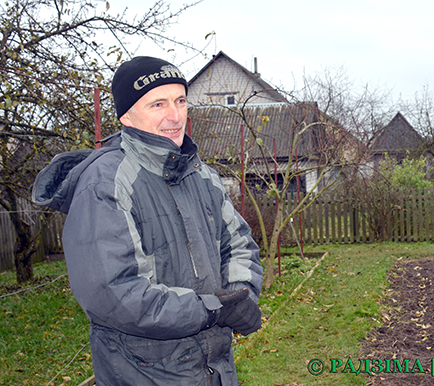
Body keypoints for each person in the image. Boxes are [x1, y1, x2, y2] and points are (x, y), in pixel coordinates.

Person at [32, 56, 263, 386]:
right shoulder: (106, 183)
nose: (175, 115)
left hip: (216, 368)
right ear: (127, 115)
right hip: (145, 373)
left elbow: (239, 244)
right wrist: (213, 309)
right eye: (158, 104)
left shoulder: (202, 176)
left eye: (180, 100)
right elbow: (116, 294)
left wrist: (240, 295)